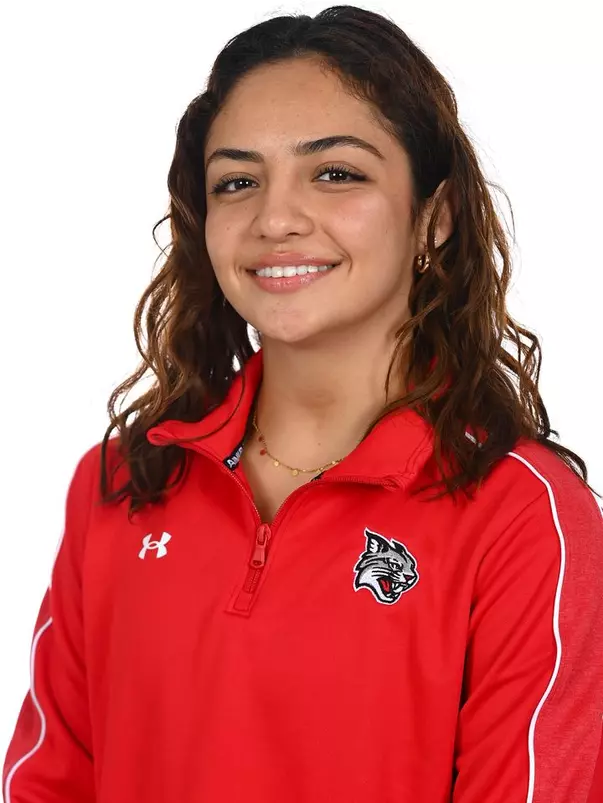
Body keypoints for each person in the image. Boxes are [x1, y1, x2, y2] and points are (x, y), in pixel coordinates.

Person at [3, 6, 603, 802]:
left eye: (336, 173)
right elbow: (48, 778)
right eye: (237, 182)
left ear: (435, 216)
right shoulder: (120, 482)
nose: (275, 219)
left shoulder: (521, 516)